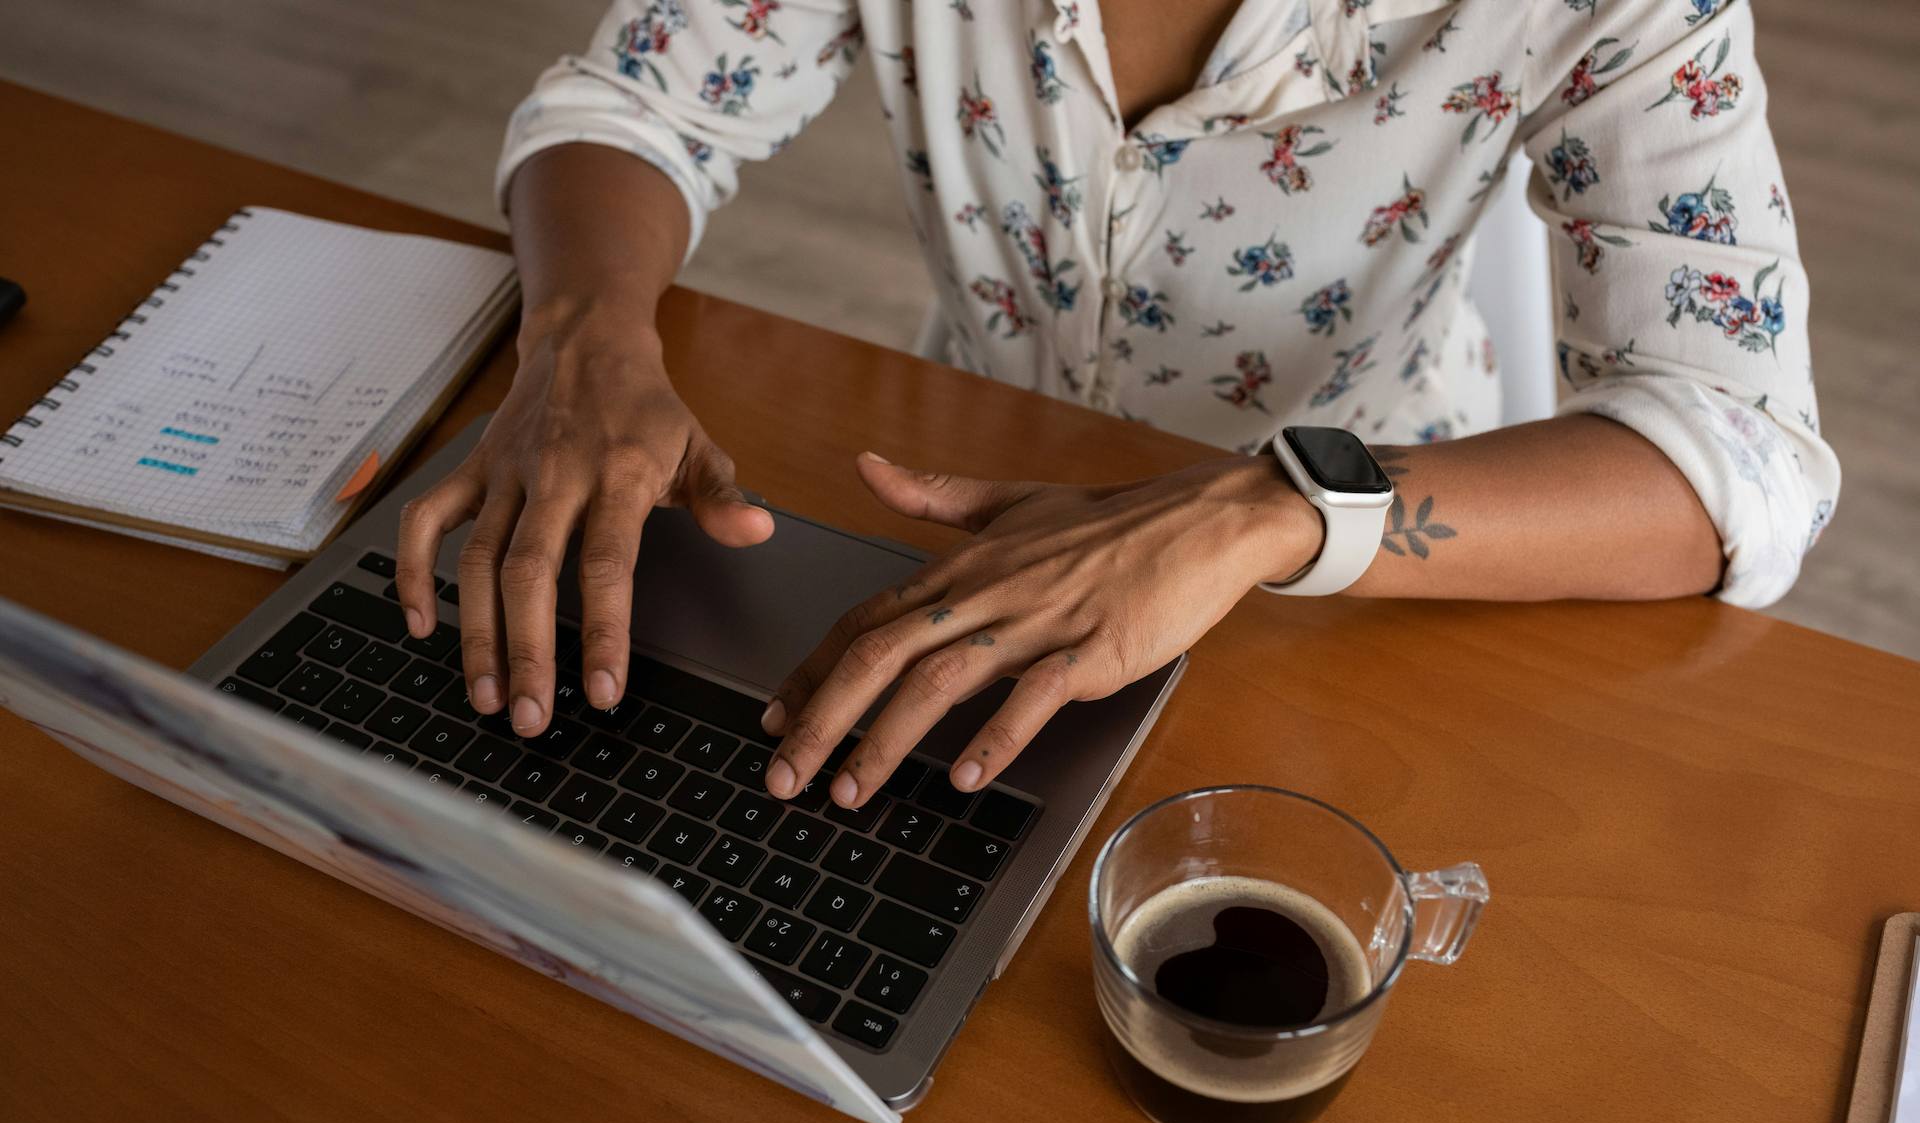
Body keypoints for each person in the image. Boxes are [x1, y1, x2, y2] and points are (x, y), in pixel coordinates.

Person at [396, 0, 1836, 813]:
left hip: (1367, 586)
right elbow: (635, 105)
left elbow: (1744, 453)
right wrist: (581, 334)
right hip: (971, 497)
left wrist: (1260, 509)